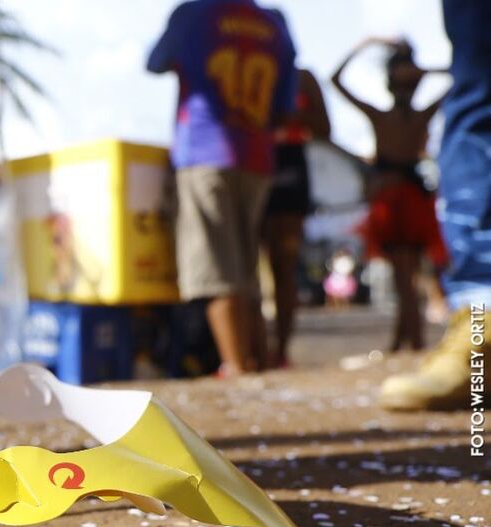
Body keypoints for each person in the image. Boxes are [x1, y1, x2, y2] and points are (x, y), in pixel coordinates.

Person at [147, 0, 298, 375]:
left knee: (217, 268)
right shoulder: (273, 24)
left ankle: (234, 365)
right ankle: (256, 360)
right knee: (246, 268)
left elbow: (155, 62)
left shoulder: (193, 14)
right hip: (257, 158)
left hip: (204, 152)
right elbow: (284, 106)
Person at [379, 0, 491, 410]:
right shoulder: (382, 115)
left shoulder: (422, 110)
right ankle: (484, 320)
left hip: (412, 195)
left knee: (415, 275)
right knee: (480, 73)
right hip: (392, 198)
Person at [332, 38, 449, 352]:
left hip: (403, 201)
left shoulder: (396, 116)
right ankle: (404, 339)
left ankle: (413, 342)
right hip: (400, 199)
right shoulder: (394, 116)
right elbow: (336, 81)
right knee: (406, 275)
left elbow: (336, 80)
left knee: (405, 277)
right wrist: (367, 44)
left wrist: (365, 47)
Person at [262, 68, 330, 367]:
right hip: (249, 160)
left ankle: (280, 349)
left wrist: (287, 116)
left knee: (283, 266)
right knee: (242, 267)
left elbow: (325, 128)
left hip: (288, 166)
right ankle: (254, 348)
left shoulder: (301, 77)